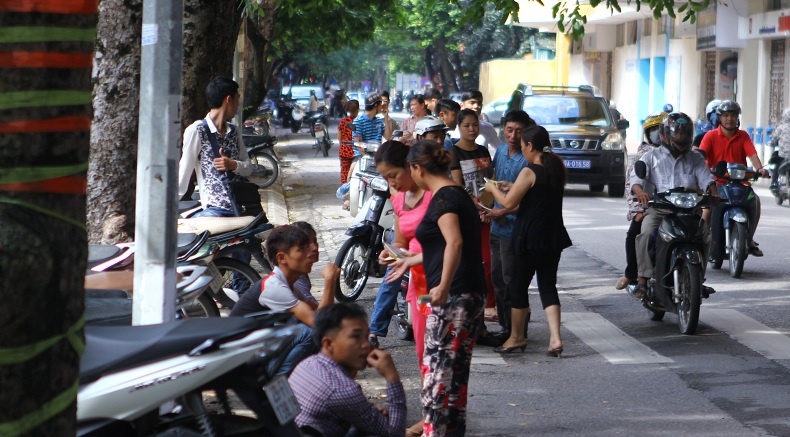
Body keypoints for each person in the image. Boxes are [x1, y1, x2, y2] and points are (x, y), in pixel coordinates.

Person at [401, 140, 486, 437]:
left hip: (455, 295)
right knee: (451, 378)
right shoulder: (451, 194)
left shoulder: (445, 197)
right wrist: (411, 259)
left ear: (416, 168)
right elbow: (443, 245)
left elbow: (455, 242)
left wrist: (442, 287)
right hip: (462, 293)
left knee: (439, 377)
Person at [484, 125, 572, 356]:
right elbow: (538, 194)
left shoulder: (529, 170)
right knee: (547, 285)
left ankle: (516, 337)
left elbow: (509, 203)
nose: (521, 149)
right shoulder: (555, 168)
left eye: (523, 145)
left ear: (530, 146)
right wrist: (512, 186)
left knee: (517, 286)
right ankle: (555, 339)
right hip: (552, 237)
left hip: (530, 237)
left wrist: (492, 189)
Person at [370, 140, 433, 437]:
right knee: (423, 354)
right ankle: (432, 414)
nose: (392, 183)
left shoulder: (436, 197)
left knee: (442, 355)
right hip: (417, 285)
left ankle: (438, 417)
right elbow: (401, 245)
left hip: (441, 282)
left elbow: (451, 246)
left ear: (411, 166)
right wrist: (390, 254)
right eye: (386, 179)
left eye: (394, 175)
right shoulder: (399, 200)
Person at [229, 225, 339, 376]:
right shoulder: (275, 287)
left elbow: (323, 313)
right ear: (282, 258)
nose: (311, 253)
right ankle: (280, 382)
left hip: (257, 350)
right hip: (243, 361)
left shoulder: (287, 285)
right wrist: (330, 280)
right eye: (302, 249)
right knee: (309, 332)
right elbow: (319, 323)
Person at [630, 112, 719, 297]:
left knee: (706, 237)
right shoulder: (651, 157)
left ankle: (699, 280)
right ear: (665, 134)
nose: (681, 138)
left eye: (685, 133)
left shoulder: (695, 158)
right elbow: (636, 180)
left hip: (688, 210)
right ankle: (642, 280)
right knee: (645, 233)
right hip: (659, 209)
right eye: (677, 134)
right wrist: (640, 192)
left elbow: (706, 179)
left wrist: (713, 192)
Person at [289, 303, 407, 437]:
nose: (366, 345)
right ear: (328, 344)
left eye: (366, 336)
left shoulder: (306, 364)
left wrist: (367, 411)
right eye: (355, 337)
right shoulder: (342, 389)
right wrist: (392, 377)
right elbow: (395, 433)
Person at [449, 109, 499, 347]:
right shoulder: (453, 151)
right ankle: (468, 324)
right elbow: (459, 186)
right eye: (467, 125)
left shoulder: (482, 150)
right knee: (470, 267)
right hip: (468, 216)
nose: (471, 129)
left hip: (487, 214)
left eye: (474, 125)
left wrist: (489, 207)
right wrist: (477, 207)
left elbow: (491, 180)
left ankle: (484, 315)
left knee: (488, 265)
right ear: (459, 126)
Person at [484, 110, 535, 341]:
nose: (513, 135)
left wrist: (501, 210)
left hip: (514, 230)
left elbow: (527, 202)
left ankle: (516, 331)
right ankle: (506, 326)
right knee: (497, 279)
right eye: (509, 130)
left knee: (511, 280)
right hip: (496, 225)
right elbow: (493, 181)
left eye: (518, 131)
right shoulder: (502, 150)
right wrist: (485, 206)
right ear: (502, 129)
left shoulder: (527, 159)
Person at [699, 100, 767, 257]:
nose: (730, 118)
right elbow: (701, 157)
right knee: (708, 209)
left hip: (739, 182)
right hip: (716, 183)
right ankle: (700, 239)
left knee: (755, 202)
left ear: (738, 118)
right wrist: (704, 171)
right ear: (720, 118)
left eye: (733, 115)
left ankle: (748, 239)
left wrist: (760, 168)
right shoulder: (710, 136)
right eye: (726, 115)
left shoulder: (743, 136)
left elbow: (752, 154)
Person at [178, 76, 252, 215]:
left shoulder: (234, 131)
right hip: (215, 209)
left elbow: (248, 168)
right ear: (229, 100)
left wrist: (233, 165)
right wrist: (166, 208)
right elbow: (184, 172)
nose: (238, 105)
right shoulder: (197, 130)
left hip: (242, 205)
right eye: (237, 99)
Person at [615, 111, 666, 290]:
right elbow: (633, 183)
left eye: (662, 130)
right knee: (635, 234)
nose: (658, 134)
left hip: (679, 205)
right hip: (651, 206)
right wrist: (640, 209)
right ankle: (632, 274)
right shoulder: (645, 154)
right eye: (654, 130)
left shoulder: (681, 153)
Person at [452, 90, 499, 157]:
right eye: (472, 102)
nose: (476, 106)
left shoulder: (488, 128)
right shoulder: (452, 128)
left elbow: (500, 148)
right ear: (462, 105)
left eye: (479, 103)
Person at [337, 100, 359, 187]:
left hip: (345, 151)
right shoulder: (360, 121)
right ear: (357, 109)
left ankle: (345, 193)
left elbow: (339, 137)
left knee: (345, 174)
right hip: (357, 152)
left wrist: (343, 145)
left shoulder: (343, 121)